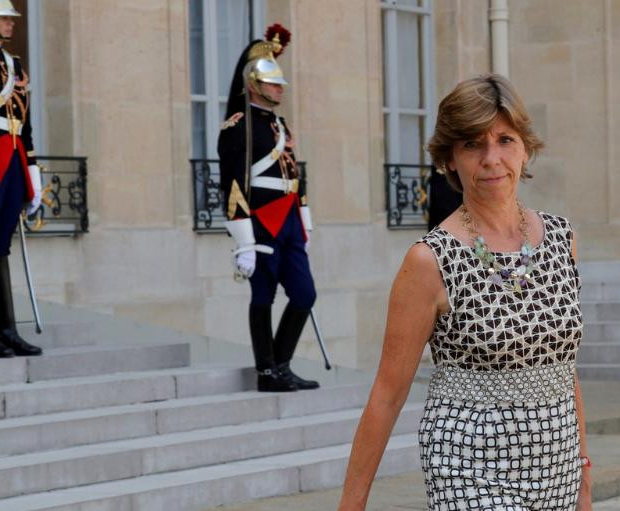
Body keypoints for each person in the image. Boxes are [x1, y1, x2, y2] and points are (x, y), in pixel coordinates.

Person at [339, 75, 592, 510]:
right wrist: (351, 504)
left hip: (558, 467)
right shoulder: (429, 260)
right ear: (450, 159)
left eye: (505, 140)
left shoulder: (560, 237)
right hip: (469, 465)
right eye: (473, 144)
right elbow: (388, 391)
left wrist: (584, 481)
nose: (492, 158)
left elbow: (566, 369)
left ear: (525, 147)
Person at [218, 24, 318, 393]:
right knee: (263, 296)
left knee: (305, 294)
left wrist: (304, 219)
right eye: (273, 84)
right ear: (254, 86)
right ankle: (267, 371)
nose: (280, 89)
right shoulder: (237, 126)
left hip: (289, 219)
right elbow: (232, 183)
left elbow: (294, 172)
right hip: (260, 221)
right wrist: (242, 239)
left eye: (280, 84)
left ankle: (281, 363)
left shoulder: (279, 124)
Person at [0, 0, 42, 359]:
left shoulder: (14, 64)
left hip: (12, 157)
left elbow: (25, 122)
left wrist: (33, 171)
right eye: (4, 16)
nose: (11, 22)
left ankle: (6, 329)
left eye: (11, 18)